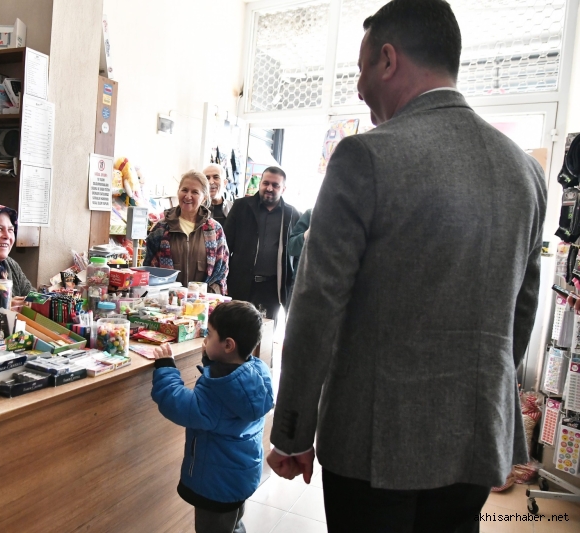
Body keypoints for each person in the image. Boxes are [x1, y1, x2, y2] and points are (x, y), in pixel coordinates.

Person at [266, 1, 546, 532]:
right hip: (475, 436)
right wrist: (483, 401)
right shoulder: (526, 173)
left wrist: (294, 431)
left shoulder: (364, 157)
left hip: (374, 443)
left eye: (361, 69)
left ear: (389, 60)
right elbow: (520, 315)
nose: (358, 88)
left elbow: (318, 303)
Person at [151, 301, 273, 533]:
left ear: (228, 345)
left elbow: (180, 405)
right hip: (239, 478)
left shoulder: (217, 393)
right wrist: (212, 360)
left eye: (209, 334)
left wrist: (166, 369)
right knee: (234, 524)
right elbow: (229, 377)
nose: (205, 340)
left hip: (216, 486)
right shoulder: (256, 371)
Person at [223, 167, 300, 321]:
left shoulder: (292, 214)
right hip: (240, 283)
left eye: (275, 185)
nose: (269, 188)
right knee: (235, 327)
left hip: (272, 289)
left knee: (265, 331)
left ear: (283, 189)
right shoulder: (241, 206)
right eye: (266, 183)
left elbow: (296, 252)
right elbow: (225, 246)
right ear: (260, 183)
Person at [143, 170, 229, 294]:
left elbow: (221, 272)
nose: (188, 196)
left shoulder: (215, 230)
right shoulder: (161, 228)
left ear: (204, 198)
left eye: (195, 192)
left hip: (203, 302)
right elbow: (149, 270)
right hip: (166, 303)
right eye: (184, 190)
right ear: (178, 192)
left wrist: (207, 296)